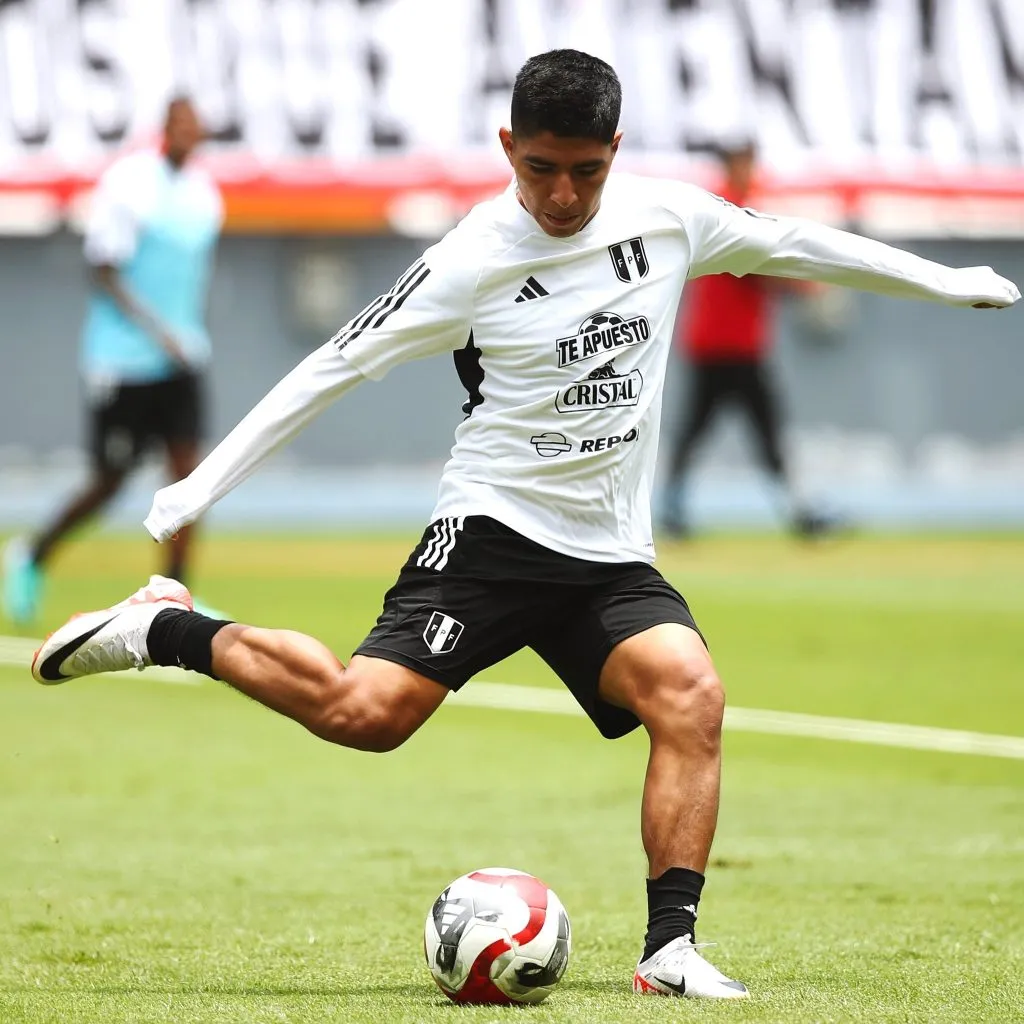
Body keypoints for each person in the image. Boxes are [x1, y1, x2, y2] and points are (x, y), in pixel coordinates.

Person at [30, 51, 1018, 1000]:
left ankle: (669, 948)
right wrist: (196, 489)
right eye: (539, 169)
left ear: (615, 151)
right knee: (365, 717)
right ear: (508, 147)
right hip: (491, 534)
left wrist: (948, 280)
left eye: (584, 172)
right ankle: (165, 626)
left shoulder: (669, 218)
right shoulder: (469, 259)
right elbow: (334, 364)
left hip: (607, 556)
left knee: (691, 695)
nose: (561, 196)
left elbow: (799, 244)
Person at [3, 96, 223, 625]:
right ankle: (32, 555)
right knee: (111, 479)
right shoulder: (129, 186)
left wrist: (181, 334)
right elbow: (102, 269)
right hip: (123, 362)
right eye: (181, 123)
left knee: (188, 479)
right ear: (164, 128)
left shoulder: (204, 196)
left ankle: (175, 595)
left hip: (183, 358)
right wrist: (155, 329)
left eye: (197, 125)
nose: (190, 133)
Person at [662, 141, 834, 539]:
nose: (752, 171)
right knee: (761, 428)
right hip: (731, 344)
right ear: (736, 164)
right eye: (748, 163)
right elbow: (758, 269)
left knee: (698, 430)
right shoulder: (731, 208)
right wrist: (807, 289)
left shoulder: (717, 204)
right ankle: (799, 511)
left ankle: (672, 510)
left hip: (715, 342)